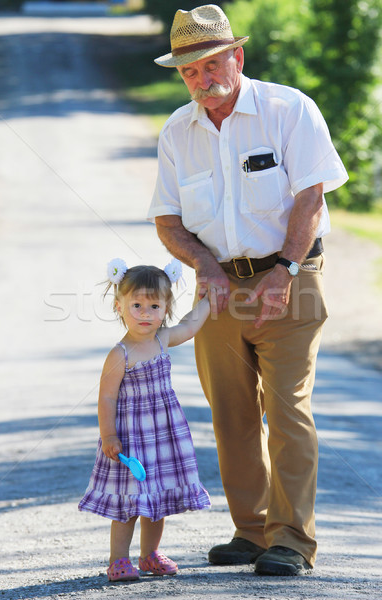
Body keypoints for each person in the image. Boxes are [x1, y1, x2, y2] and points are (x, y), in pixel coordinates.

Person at [148, 4, 348, 576]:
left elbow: (311, 196)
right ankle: (253, 530)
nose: (202, 79)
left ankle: (292, 541)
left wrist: (285, 269)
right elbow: (168, 222)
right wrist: (204, 269)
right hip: (217, 290)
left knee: (287, 412)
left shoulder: (289, 109)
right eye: (189, 71)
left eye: (211, 64)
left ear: (237, 56)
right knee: (230, 414)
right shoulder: (177, 131)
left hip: (292, 278)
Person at [78, 258, 211, 582]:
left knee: (158, 499)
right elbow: (106, 397)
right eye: (136, 305)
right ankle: (119, 560)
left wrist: (207, 298)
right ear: (119, 306)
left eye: (154, 305)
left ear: (165, 308)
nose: (145, 313)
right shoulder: (120, 353)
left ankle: (149, 554)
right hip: (132, 438)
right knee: (129, 503)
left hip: (163, 435)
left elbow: (191, 326)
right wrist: (108, 435)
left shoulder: (161, 339)